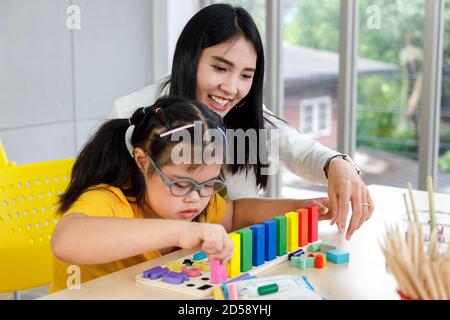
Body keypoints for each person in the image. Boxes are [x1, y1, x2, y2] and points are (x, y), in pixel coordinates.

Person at [110, 3, 374, 241]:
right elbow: (107, 220)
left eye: (246, 75)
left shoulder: (247, 113)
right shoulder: (133, 114)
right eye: (220, 68)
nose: (231, 88)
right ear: (189, 59)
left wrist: (338, 164)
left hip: (235, 263)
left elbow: (303, 151)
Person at [49, 96, 331, 293]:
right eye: (180, 184)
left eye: (208, 185)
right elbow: (65, 240)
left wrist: (305, 206)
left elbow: (236, 214)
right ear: (142, 160)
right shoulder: (111, 199)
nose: (196, 198)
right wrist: (177, 232)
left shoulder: (196, 201)